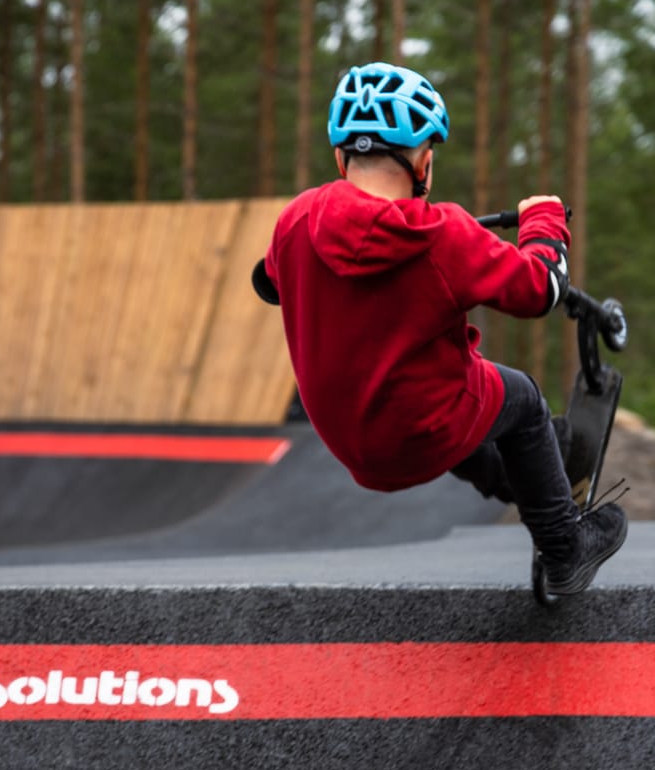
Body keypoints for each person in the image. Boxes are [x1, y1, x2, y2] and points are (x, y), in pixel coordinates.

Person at [255, 61, 626, 594]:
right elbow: (541, 290)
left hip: (349, 444)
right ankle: (564, 547)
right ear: (423, 161)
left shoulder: (296, 220)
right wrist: (544, 220)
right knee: (519, 397)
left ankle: (540, 471)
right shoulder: (441, 235)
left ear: (341, 156)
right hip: (417, 438)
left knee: (462, 385)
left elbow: (269, 283)